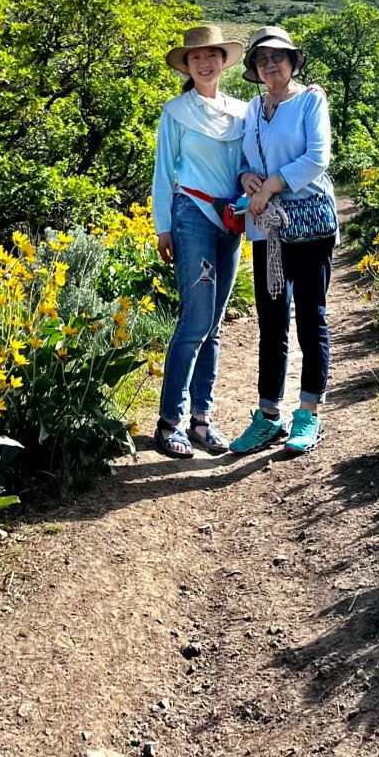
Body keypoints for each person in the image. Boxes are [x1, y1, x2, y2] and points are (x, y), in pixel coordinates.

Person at [230, 26, 337, 458]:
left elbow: (317, 157)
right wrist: (245, 176)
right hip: (267, 228)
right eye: (261, 58)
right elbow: (242, 158)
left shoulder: (312, 100)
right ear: (254, 69)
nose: (270, 64)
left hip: (308, 223)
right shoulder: (253, 109)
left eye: (278, 56)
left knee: (311, 317)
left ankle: (308, 412)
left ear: (293, 62)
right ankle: (268, 414)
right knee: (271, 320)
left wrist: (270, 185)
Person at [151, 24, 248, 458]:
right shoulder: (176, 111)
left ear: (224, 61)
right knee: (195, 321)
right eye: (195, 58)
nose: (204, 63)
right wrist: (162, 226)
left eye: (212, 55)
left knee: (214, 324)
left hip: (232, 220)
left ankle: (202, 421)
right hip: (191, 215)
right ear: (187, 66)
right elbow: (163, 171)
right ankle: (170, 421)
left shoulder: (243, 112)